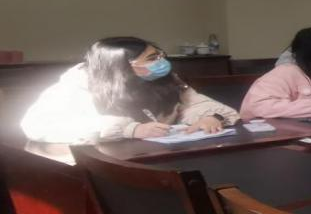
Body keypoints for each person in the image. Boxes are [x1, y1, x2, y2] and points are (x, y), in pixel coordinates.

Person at [20, 37, 239, 143]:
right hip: (104, 166)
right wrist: (129, 129)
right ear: (122, 66)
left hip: (160, 157)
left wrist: (210, 117)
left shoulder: (164, 79)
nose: (161, 62)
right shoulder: (77, 85)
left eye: (160, 55)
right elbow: (38, 126)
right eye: (152, 58)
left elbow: (195, 103)